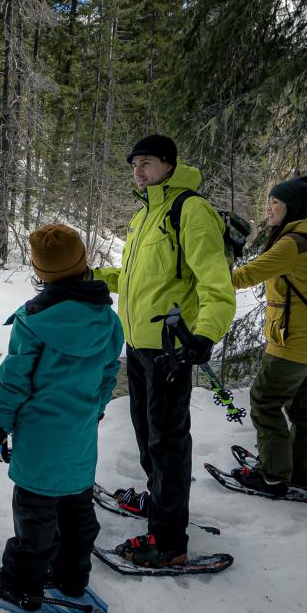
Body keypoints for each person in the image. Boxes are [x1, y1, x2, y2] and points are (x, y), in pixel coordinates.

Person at [93, 135, 236, 568]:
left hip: (170, 351)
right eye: (134, 164)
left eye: (147, 163)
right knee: (146, 434)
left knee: (167, 442)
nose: (139, 171)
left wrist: (205, 335)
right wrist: (94, 277)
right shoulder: (145, 214)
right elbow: (137, 279)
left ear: (169, 165)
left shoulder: (190, 210)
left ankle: (170, 542)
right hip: (138, 345)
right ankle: (159, 502)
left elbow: (216, 284)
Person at [0, 224, 124, 610]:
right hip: (80, 436)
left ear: (40, 271)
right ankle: (72, 577)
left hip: (38, 439)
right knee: (77, 509)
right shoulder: (108, 319)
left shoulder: (32, 321)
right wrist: (94, 411)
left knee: (35, 515)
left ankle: (21, 584)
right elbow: (108, 375)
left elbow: (14, 383)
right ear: (82, 263)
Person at [229, 174, 307, 495]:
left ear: (291, 206)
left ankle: (274, 475)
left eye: (275, 202)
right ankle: (300, 473)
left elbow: (243, 277)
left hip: (292, 342)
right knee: (305, 410)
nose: (268, 208)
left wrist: (215, 266)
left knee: (264, 402)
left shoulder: (291, 244)